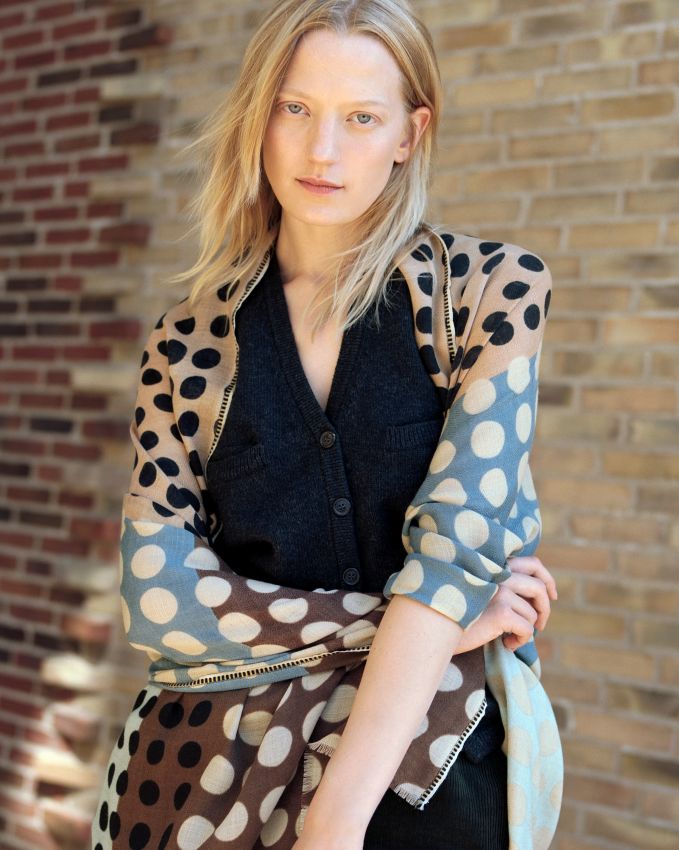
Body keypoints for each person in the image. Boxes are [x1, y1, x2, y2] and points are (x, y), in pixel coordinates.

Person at [91, 2, 563, 849]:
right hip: (201, 778)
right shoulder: (188, 342)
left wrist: (335, 822)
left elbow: (456, 548)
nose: (322, 151)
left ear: (410, 134)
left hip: (429, 774)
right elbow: (159, 600)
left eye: (361, 118)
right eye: (296, 108)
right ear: (259, 114)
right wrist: (440, 620)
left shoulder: (487, 294)